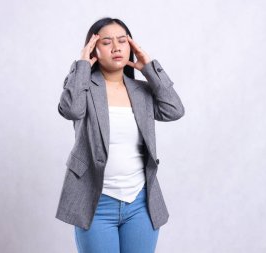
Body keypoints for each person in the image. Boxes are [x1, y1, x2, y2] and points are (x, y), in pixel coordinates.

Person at [55, 17, 185, 253]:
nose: (116, 47)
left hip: (140, 204)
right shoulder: (83, 86)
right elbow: (71, 109)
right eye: (106, 42)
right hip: (95, 203)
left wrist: (149, 68)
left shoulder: (142, 91)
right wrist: (82, 65)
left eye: (122, 41)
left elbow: (174, 110)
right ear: (94, 49)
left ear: (131, 47)